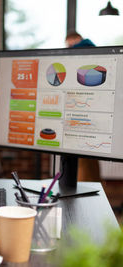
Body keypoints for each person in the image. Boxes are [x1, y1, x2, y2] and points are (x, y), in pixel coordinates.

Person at [65, 30, 101, 182]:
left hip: (80, 110)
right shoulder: (96, 52)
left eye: (68, 44)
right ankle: (96, 187)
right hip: (94, 109)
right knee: (91, 156)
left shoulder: (78, 52)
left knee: (80, 158)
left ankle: (82, 190)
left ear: (75, 40)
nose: (68, 47)